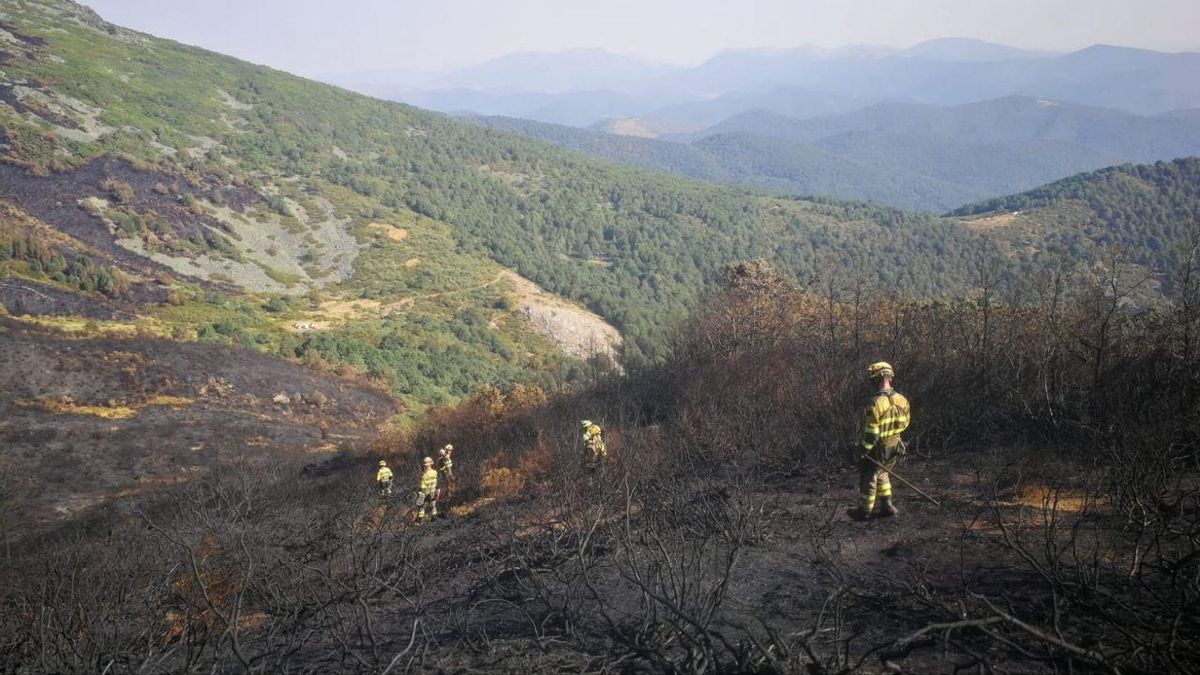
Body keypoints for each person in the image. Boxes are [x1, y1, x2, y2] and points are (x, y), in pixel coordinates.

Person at [850, 361, 911, 520]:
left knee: (869, 476)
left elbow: (872, 434)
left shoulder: (875, 403)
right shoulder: (902, 400)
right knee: (882, 472)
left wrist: (862, 450)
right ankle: (887, 505)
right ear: (890, 378)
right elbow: (905, 424)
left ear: (875, 380)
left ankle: (864, 510)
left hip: (880, 447)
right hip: (896, 446)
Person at [415, 456, 439, 523]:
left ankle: (420, 520)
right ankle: (434, 518)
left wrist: (419, 493)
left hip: (424, 493)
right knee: (433, 505)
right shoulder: (435, 472)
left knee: (421, 506)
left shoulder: (423, 475)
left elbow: (422, 486)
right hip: (432, 492)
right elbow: (436, 482)